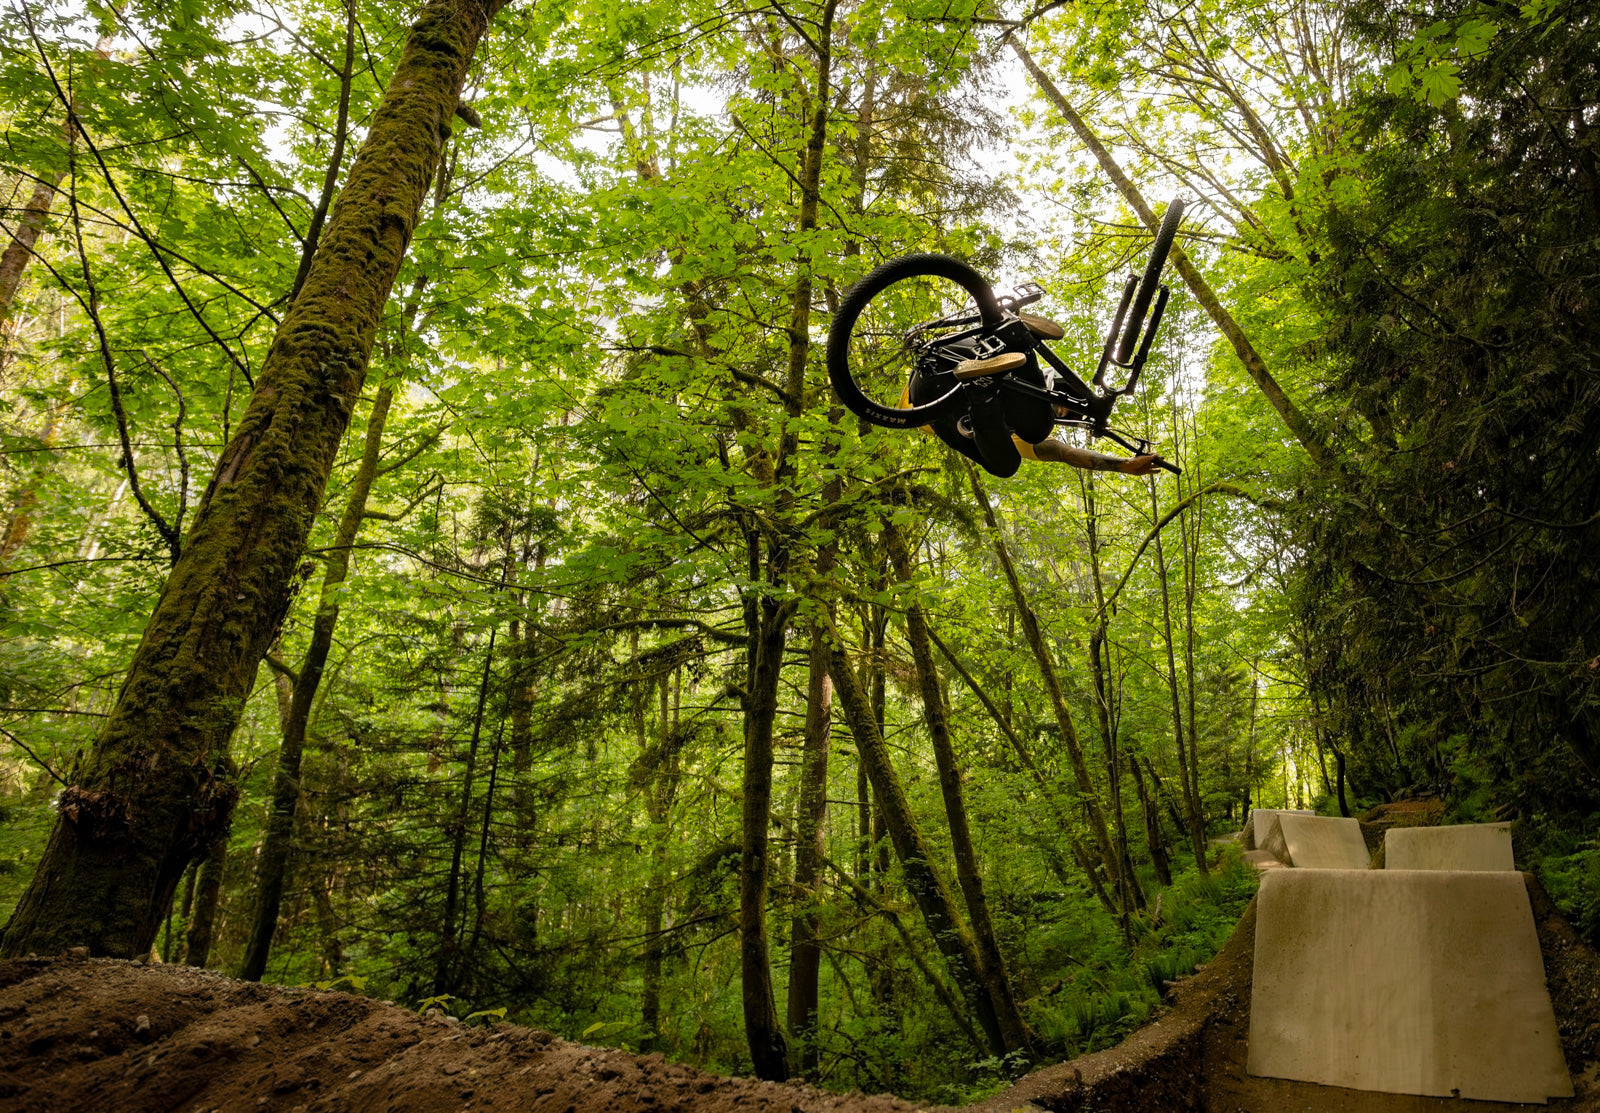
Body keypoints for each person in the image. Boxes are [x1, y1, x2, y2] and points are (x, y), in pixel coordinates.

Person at [900, 320, 1161, 477]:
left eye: (1063, 414)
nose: (1061, 413)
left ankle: (990, 379)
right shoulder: (1031, 414)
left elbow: (1062, 452)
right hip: (949, 368)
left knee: (1007, 465)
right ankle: (1018, 338)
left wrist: (1123, 465)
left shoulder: (1018, 431)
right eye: (1062, 405)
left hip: (927, 390)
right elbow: (1058, 446)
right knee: (1037, 430)